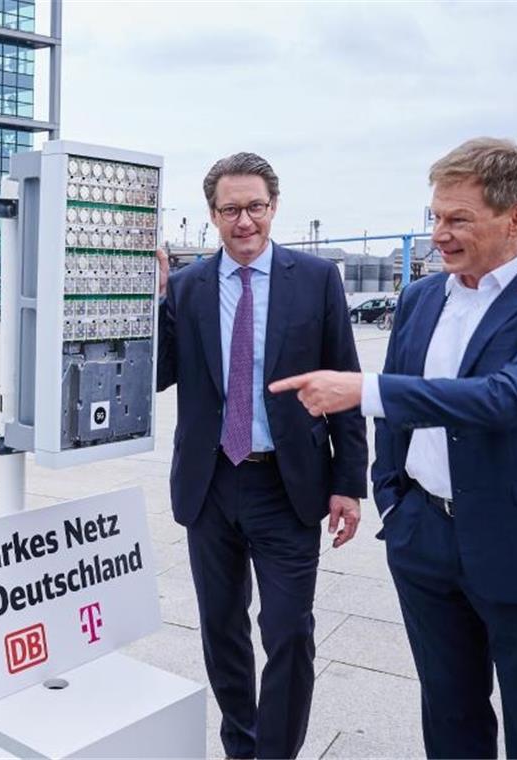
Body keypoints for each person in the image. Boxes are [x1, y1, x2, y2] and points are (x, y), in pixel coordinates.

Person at [269, 138, 517, 759]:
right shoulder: (423, 297)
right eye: (435, 216)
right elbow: (394, 425)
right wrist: (396, 503)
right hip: (424, 537)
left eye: (458, 219)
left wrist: (365, 389)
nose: (439, 236)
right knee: (449, 715)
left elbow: (503, 398)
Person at [156, 152, 367, 759]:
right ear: (212, 215)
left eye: (254, 207)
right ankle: (241, 747)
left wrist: (348, 482)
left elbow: (346, 384)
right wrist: (149, 301)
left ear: (273, 207)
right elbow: (162, 375)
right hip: (211, 483)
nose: (243, 221)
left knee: (289, 633)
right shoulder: (191, 287)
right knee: (222, 632)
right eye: (230, 210)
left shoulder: (317, 280)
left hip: (287, 484)